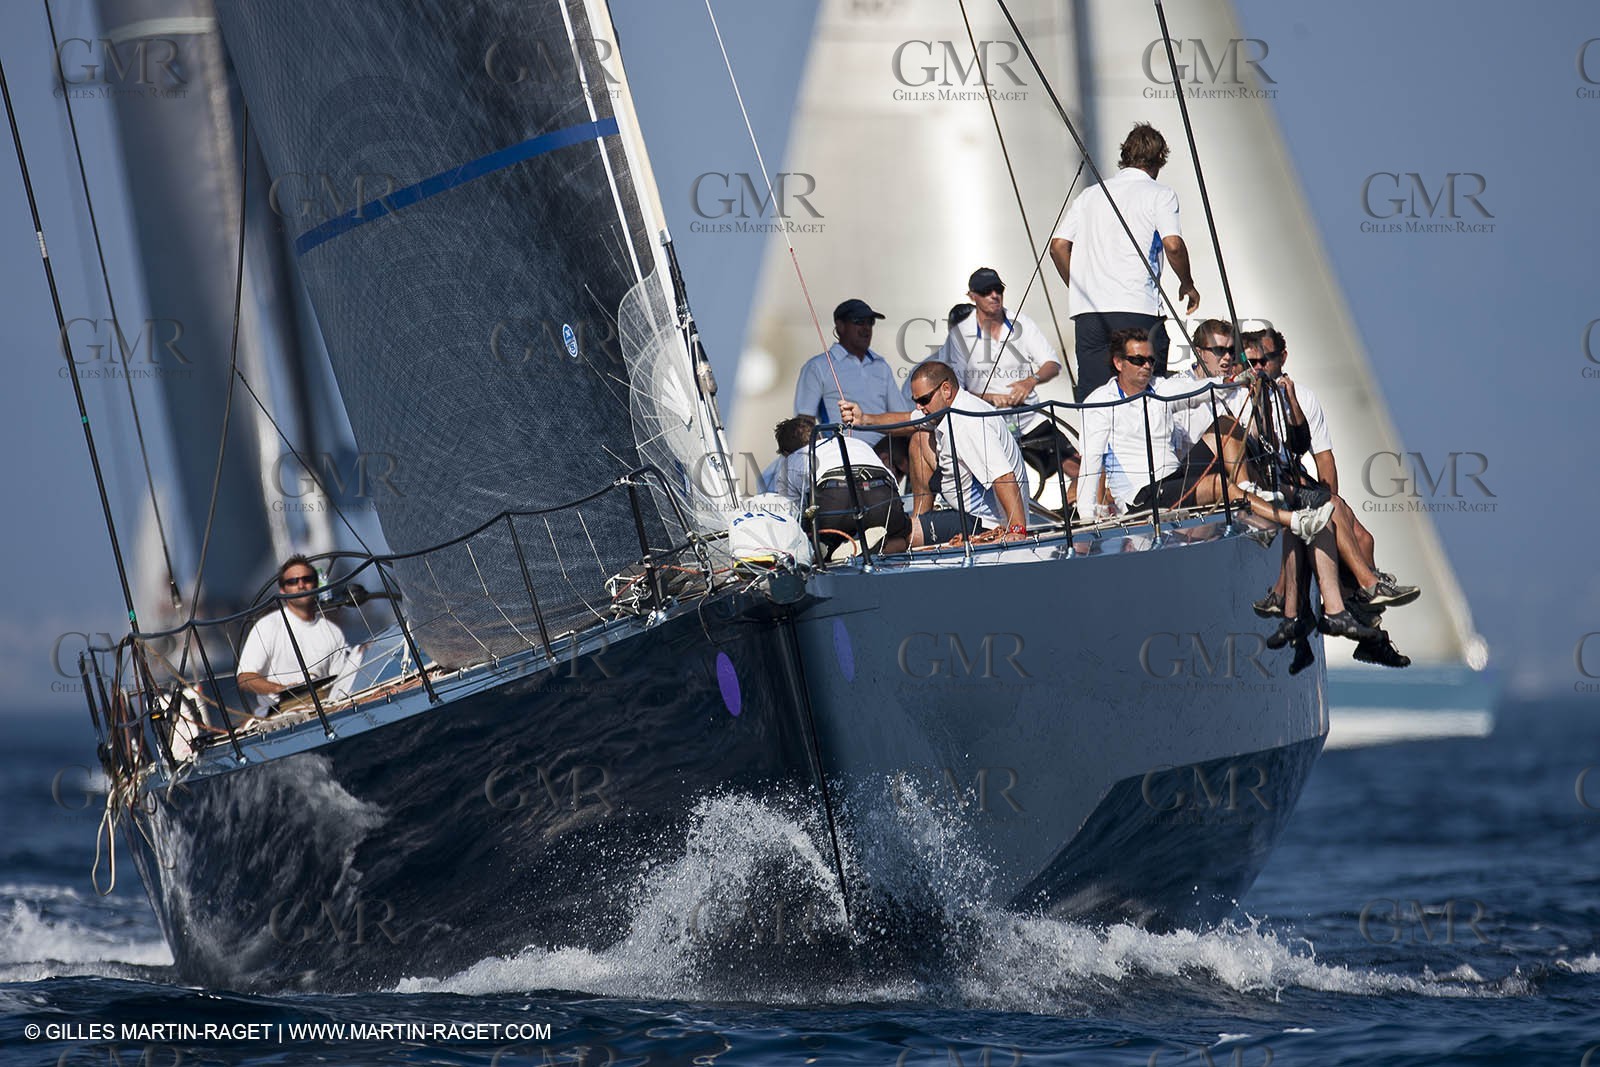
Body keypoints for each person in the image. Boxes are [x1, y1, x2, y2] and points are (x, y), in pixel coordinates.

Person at [1077, 329, 1379, 644]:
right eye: (1137, 360)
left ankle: (1251, 496)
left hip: (1176, 479)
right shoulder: (1099, 403)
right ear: (1118, 362)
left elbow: (1204, 387)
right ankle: (1285, 518)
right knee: (1223, 486)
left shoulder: (1162, 388)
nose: (1146, 366)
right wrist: (1086, 523)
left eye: (1151, 360)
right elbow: (1091, 461)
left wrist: (1240, 379)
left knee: (1224, 424)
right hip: (1143, 497)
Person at [1049, 123, 1200, 400]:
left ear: (1125, 155)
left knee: (1095, 400)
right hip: (1136, 309)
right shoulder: (1160, 194)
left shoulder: (1090, 195)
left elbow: (1058, 246)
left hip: (1090, 315)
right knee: (1145, 399)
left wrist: (1079, 287)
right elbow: (1173, 245)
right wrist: (1187, 284)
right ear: (1160, 160)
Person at [841, 361, 1029, 547]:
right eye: (916, 401)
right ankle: (920, 518)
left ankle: (866, 551)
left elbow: (1004, 476)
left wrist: (1017, 530)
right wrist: (865, 419)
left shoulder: (968, 424)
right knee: (919, 438)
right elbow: (908, 420)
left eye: (923, 400)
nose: (919, 407)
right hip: (962, 507)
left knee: (898, 536)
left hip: (984, 522)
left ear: (946, 390)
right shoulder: (946, 408)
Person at [937, 268, 1081, 502]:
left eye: (999, 289)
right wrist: (991, 398)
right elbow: (954, 389)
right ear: (972, 296)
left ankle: (1076, 516)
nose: (994, 295)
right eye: (986, 291)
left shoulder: (1021, 323)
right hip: (985, 424)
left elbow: (1052, 363)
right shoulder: (960, 335)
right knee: (996, 482)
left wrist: (1030, 381)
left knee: (1080, 469)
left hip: (1027, 417)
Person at [794, 298, 906, 474]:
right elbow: (804, 422)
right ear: (840, 326)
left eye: (870, 322)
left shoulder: (881, 365)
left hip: (884, 458)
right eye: (858, 322)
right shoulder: (818, 366)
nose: (866, 328)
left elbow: (902, 416)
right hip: (841, 458)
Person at [236, 555, 353, 715]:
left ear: (316, 584)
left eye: (307, 579)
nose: (301, 585)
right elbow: (245, 678)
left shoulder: (333, 631)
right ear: (282, 590)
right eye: (292, 581)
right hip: (277, 714)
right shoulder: (267, 626)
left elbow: (342, 681)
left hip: (325, 710)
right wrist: (282, 690)